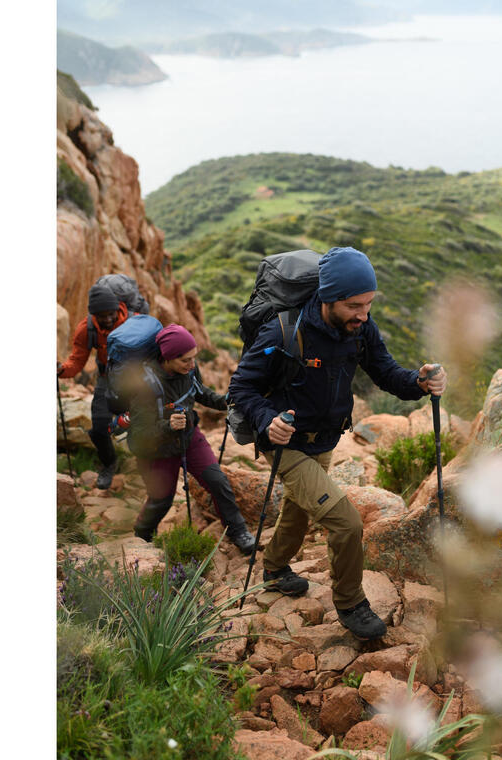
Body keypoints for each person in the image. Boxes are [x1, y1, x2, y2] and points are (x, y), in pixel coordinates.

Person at [228, 247, 446, 639]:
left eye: (368, 304)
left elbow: (386, 373)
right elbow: (242, 387)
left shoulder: (360, 328)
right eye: (353, 305)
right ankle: (350, 603)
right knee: (345, 523)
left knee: (298, 509)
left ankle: (275, 568)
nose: (363, 314)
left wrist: (419, 381)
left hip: (325, 439)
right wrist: (267, 421)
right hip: (286, 441)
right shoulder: (282, 329)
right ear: (327, 298)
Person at [127, 324, 256, 553]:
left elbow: (200, 392)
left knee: (218, 482)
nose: (192, 364)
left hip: (189, 437)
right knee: (162, 500)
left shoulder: (189, 372)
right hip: (159, 449)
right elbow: (139, 432)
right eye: (185, 360)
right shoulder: (145, 384)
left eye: (194, 358)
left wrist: (226, 400)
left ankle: (239, 532)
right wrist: (168, 425)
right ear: (167, 358)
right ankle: (142, 535)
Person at [58, 286, 128, 489]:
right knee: (98, 428)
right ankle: (109, 463)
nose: (106, 319)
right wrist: (61, 370)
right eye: (100, 316)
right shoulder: (86, 329)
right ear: (92, 314)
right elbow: (77, 361)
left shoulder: (134, 322)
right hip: (106, 379)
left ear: (118, 309)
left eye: (110, 314)